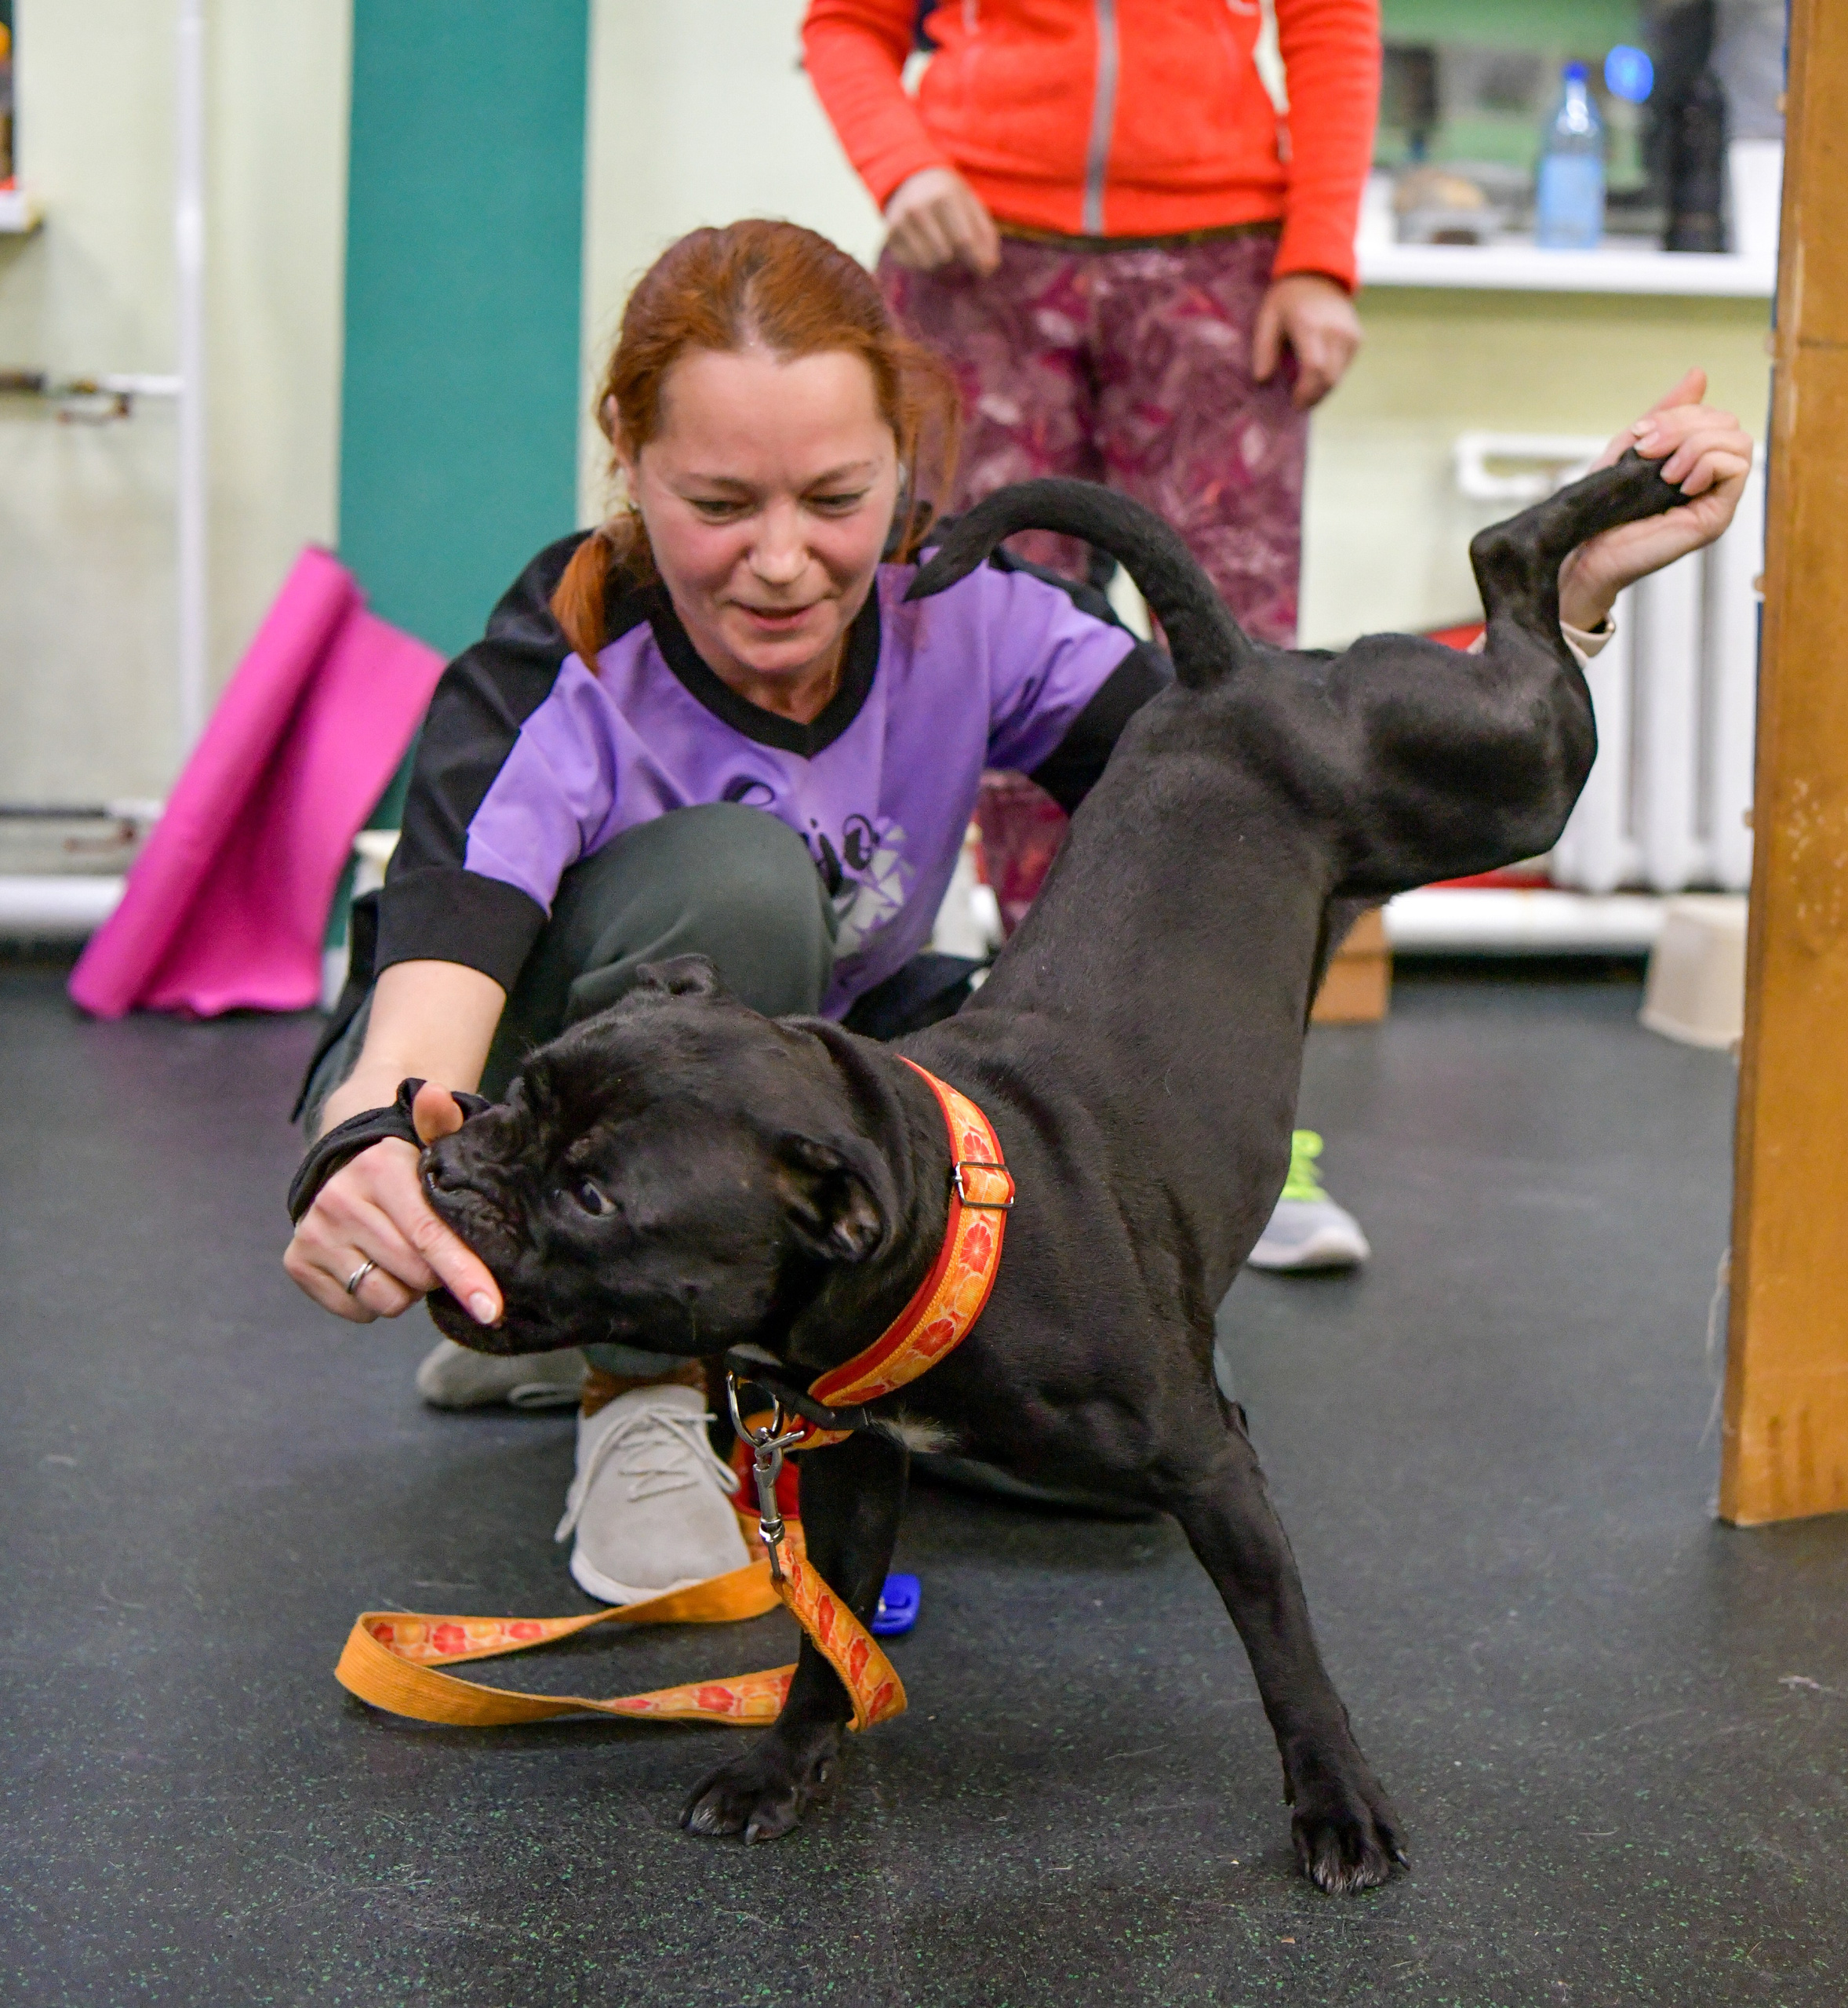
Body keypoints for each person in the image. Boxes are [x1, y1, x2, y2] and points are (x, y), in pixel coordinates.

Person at [283, 218, 1752, 1604]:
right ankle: (641, 1403)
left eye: (838, 499)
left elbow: (1269, 747)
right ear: (629, 463)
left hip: (794, 1102)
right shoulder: (571, 647)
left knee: (1114, 1429)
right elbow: (444, 947)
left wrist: (1556, 606)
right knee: (739, 883)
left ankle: (562, 1332)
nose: (782, 559)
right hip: (537, 1091)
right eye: (719, 505)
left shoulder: (967, 611)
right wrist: (372, 1141)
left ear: (904, 464)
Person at [802, 0, 1383, 1266]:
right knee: (989, 662)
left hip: (1223, 260)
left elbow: (1334, 25)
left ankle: (1254, 1138)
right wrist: (905, 166)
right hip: (980, 262)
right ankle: (1044, 1114)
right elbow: (843, 27)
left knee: (1245, 696)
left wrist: (1320, 254)